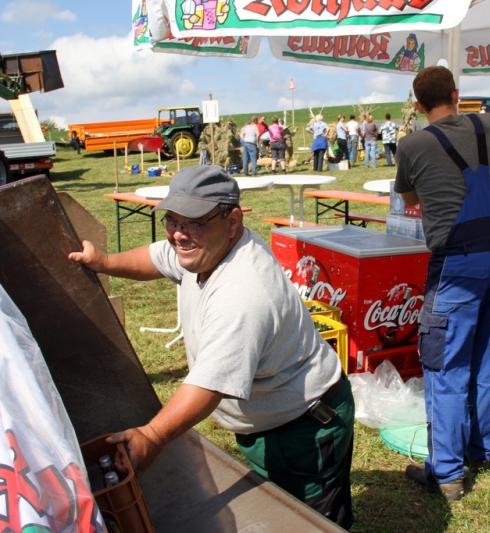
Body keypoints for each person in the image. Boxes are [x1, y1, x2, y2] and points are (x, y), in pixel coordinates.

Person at [68, 166, 355, 529]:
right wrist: (105, 263)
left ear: (232, 221)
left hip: (304, 427)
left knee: (309, 520)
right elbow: (157, 257)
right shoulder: (204, 248)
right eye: (172, 221)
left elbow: (209, 385)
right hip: (272, 420)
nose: (178, 234)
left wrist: (152, 436)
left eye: (193, 223)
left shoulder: (244, 292)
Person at [393, 66, 490, 500]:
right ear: (457, 95)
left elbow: (409, 197)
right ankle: (484, 448)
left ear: (418, 105)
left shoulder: (412, 144)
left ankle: (447, 473)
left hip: (457, 264)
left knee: (446, 366)